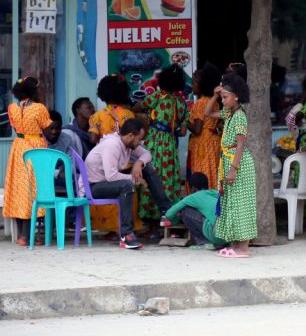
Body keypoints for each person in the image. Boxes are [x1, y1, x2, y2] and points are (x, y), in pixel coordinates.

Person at [87, 118, 173, 249]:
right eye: (139, 139)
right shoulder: (112, 145)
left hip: (107, 181)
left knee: (147, 168)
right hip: (94, 186)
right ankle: (126, 235)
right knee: (127, 185)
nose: (140, 142)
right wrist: (136, 180)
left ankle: (166, 211)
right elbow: (111, 176)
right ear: (131, 136)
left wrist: (139, 163)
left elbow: (147, 154)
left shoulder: (127, 144)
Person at [209, 73, 257, 258]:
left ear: (236, 96)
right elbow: (208, 113)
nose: (222, 101)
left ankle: (243, 249)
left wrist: (233, 169)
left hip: (239, 164)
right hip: (230, 162)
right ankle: (236, 246)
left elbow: (240, 145)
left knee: (241, 205)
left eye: (225, 97)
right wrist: (214, 95)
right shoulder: (230, 113)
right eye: (221, 98)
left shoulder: (240, 117)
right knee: (232, 204)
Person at [3, 77, 54, 245]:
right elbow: (48, 129)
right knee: (33, 190)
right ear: (33, 90)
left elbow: (16, 127)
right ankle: (27, 236)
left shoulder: (12, 108)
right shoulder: (39, 108)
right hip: (35, 148)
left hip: (18, 147)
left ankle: (21, 236)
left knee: (19, 190)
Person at [135, 65, 187, 226]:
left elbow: (137, 108)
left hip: (154, 141)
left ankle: (148, 216)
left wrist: (147, 118)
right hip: (170, 144)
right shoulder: (181, 103)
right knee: (168, 178)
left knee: (151, 174)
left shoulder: (157, 96)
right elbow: (182, 132)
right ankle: (168, 215)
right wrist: (169, 129)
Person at [163, 173, 227, 250]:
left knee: (185, 210)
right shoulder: (215, 193)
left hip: (216, 235)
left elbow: (169, 214)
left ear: (193, 188)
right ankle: (220, 243)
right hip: (230, 237)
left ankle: (203, 242)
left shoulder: (193, 197)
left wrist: (175, 221)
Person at [187, 64, 223, 194]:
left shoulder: (200, 103)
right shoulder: (215, 102)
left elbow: (197, 130)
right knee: (213, 171)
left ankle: (201, 199)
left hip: (202, 144)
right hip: (214, 142)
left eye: (193, 83)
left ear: (201, 85)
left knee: (202, 173)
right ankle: (214, 197)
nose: (192, 86)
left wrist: (185, 121)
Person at [89, 75, 134, 144]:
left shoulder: (96, 116)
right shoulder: (128, 114)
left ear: (102, 94)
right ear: (123, 93)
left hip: (105, 149)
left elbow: (93, 139)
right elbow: (131, 137)